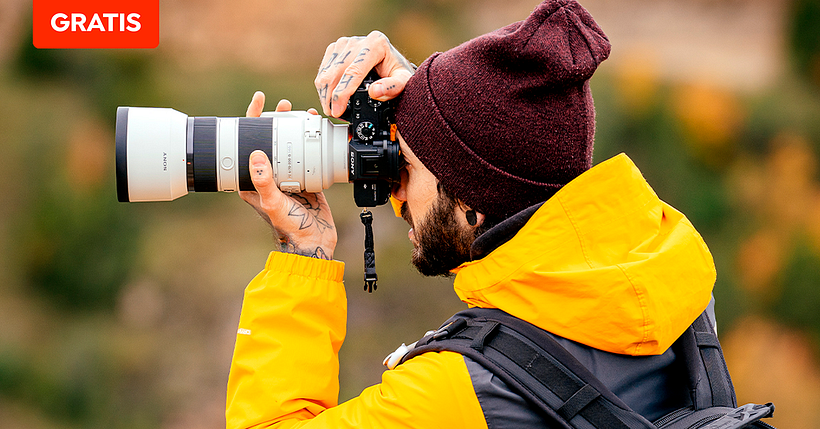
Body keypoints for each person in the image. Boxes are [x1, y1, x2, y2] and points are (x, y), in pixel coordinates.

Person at [225, 0, 717, 427]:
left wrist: (302, 254)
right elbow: (507, 182)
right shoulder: (679, 286)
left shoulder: (458, 395)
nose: (396, 195)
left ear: (472, 204)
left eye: (407, 169)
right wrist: (429, 103)